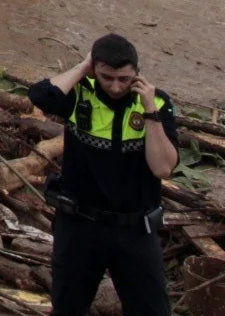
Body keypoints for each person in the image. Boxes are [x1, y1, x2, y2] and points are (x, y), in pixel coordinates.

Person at [28, 33, 179, 316]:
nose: (115, 86)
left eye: (124, 79)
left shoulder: (157, 103)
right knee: (67, 306)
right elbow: (39, 96)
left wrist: (149, 111)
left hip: (135, 229)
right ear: (94, 70)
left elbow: (163, 168)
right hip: (79, 225)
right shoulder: (80, 94)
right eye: (107, 77)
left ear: (136, 73)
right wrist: (82, 68)